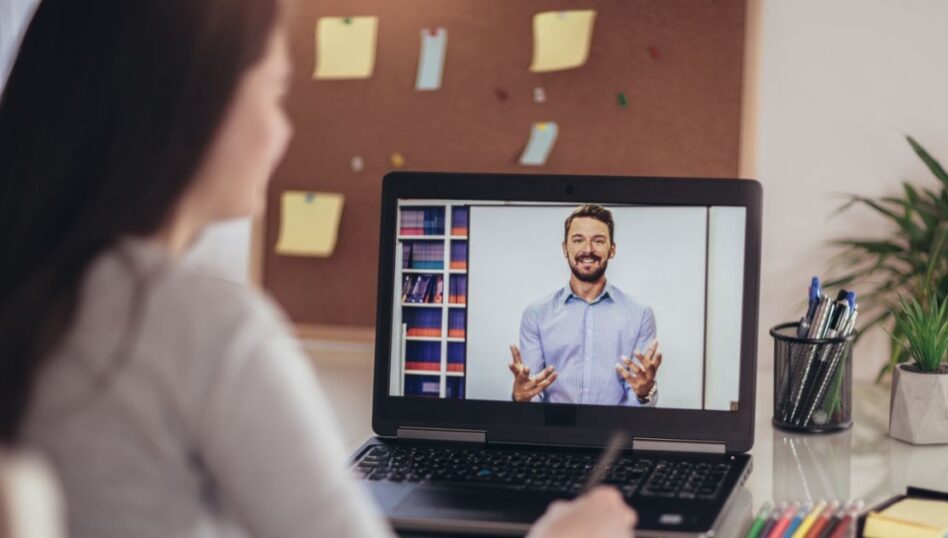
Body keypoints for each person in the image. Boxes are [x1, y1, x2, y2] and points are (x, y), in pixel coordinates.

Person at [0, 1, 637, 537]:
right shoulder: (201, 325)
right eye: (276, 93)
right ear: (199, 102)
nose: (283, 131)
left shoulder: (31, 289)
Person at [508, 205, 663, 406]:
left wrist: (644, 393)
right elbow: (532, 391)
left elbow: (637, 396)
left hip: (615, 426)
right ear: (565, 248)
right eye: (578, 240)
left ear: (612, 249)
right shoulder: (536, 314)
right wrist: (521, 397)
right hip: (554, 426)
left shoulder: (640, 314)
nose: (588, 249)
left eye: (598, 241)